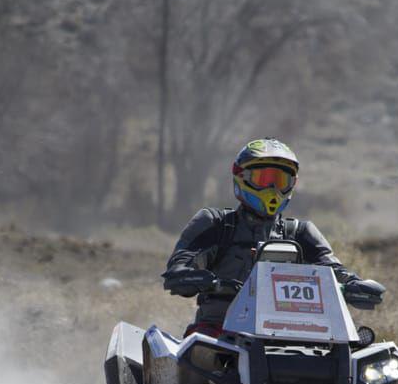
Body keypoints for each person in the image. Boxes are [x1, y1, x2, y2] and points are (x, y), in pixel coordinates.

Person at [162, 138, 379, 332]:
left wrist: (354, 284)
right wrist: (188, 275)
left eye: (281, 181)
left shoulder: (301, 233)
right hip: (221, 331)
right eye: (264, 179)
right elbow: (182, 262)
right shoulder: (216, 224)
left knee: (357, 364)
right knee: (197, 357)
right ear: (241, 178)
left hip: (295, 333)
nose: (272, 189)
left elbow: (334, 271)